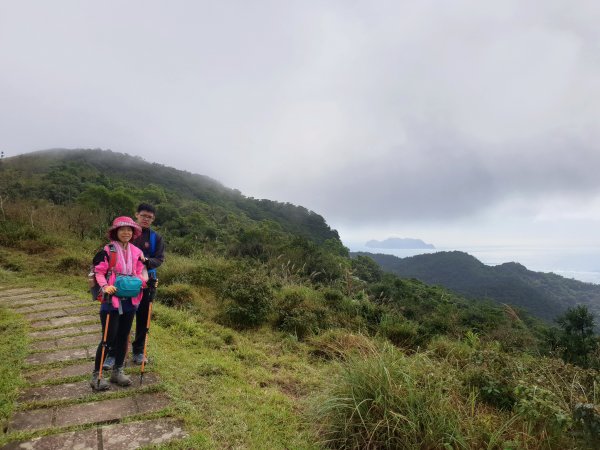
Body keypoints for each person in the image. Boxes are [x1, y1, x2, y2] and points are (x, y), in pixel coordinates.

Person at [103, 203, 165, 368]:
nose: (146, 219)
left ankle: (138, 351)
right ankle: (113, 354)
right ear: (136, 215)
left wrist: (147, 261)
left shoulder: (155, 238)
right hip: (121, 284)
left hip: (145, 283)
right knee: (118, 318)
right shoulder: (125, 232)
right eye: (143, 215)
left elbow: (159, 259)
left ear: (153, 219)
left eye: (150, 217)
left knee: (143, 318)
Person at [90, 216, 146, 391]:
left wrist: (147, 282)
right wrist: (105, 286)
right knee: (108, 338)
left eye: (129, 230)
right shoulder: (107, 251)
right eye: (122, 230)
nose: (126, 232)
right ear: (116, 232)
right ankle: (97, 376)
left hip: (130, 300)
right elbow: (99, 272)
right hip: (111, 301)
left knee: (123, 338)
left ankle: (117, 372)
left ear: (133, 233)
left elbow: (139, 273)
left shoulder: (137, 252)